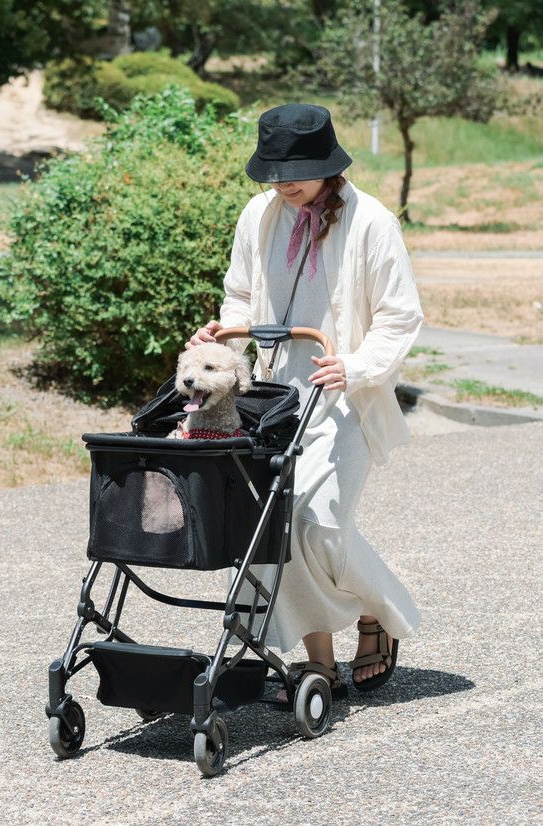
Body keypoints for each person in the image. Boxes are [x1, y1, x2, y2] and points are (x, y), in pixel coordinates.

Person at [188, 103, 423, 695]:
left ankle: (376, 613)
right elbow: (240, 296)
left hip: (345, 395)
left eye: (296, 172)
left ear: (329, 164)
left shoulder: (372, 223)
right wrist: (223, 337)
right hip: (271, 399)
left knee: (321, 524)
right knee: (274, 525)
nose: (284, 183)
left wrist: (356, 366)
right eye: (274, 172)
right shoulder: (258, 215)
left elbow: (399, 317)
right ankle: (320, 661)